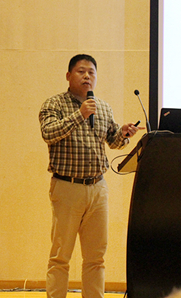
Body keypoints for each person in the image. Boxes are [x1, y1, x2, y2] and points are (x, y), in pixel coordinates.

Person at [39, 54, 142, 298]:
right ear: (68, 76)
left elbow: (113, 141)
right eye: (81, 71)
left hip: (98, 188)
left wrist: (124, 133)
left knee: (96, 257)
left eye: (91, 72)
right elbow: (48, 133)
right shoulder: (54, 104)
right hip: (67, 187)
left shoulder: (103, 107)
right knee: (61, 256)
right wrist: (80, 114)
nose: (87, 76)